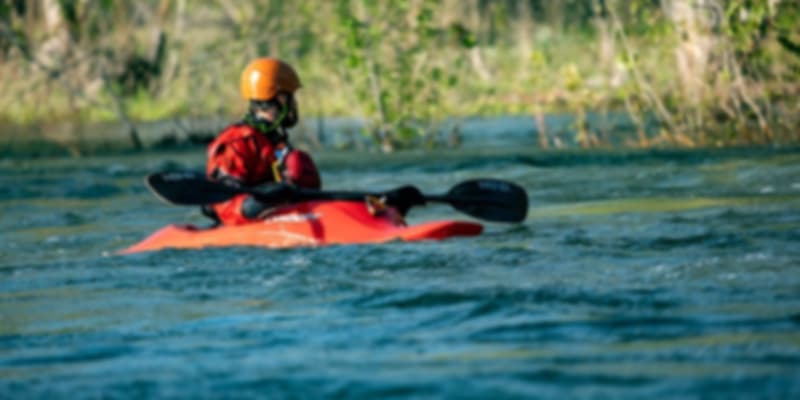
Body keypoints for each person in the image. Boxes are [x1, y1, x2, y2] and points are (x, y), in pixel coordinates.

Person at [203, 57, 321, 225]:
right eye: (290, 97)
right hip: (242, 225)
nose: (294, 103)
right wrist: (259, 202)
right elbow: (225, 202)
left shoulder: (276, 140)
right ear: (280, 98)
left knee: (299, 164)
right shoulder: (236, 142)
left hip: (279, 217)